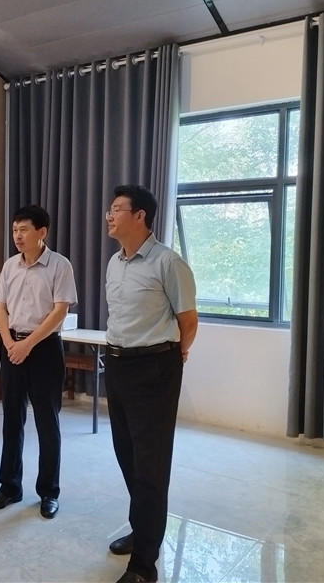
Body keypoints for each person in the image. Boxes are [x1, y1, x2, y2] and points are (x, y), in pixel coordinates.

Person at [103, 186, 198, 583]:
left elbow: (188, 321)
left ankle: (144, 565)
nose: (109, 215)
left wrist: (173, 356)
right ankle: (142, 529)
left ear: (139, 215)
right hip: (117, 365)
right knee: (127, 455)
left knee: (150, 466)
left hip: (154, 367)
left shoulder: (168, 262)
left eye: (116, 209)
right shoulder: (115, 263)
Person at [0, 205, 77, 520]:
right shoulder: (10, 265)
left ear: (42, 232)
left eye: (24, 230)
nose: (18, 236)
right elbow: (0, 307)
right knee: (12, 419)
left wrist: (27, 344)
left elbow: (60, 311)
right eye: (15, 230)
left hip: (45, 348)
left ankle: (49, 492)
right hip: (12, 346)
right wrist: (10, 342)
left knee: (47, 422)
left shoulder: (60, 265)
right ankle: (9, 487)